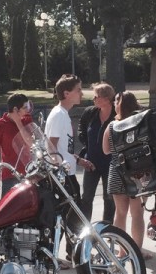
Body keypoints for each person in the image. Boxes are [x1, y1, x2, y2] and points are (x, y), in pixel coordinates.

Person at [46, 75, 93, 262]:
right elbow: (51, 146)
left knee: (72, 217)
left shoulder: (63, 114)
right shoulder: (58, 115)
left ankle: (73, 252)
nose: (82, 93)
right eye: (78, 90)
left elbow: (63, 149)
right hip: (63, 176)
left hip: (69, 173)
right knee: (67, 217)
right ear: (66, 93)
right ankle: (62, 255)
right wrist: (60, 169)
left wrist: (78, 160)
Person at [102, 91, 149, 257]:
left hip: (117, 170)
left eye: (116, 101)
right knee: (137, 214)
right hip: (138, 172)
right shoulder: (140, 122)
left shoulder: (111, 126)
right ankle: (136, 251)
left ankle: (122, 252)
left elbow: (105, 150)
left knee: (120, 213)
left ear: (119, 104)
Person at [77, 83, 116, 223]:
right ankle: (85, 227)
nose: (93, 99)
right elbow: (81, 129)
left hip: (111, 164)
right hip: (91, 162)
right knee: (86, 197)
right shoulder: (90, 113)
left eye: (96, 96)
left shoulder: (117, 115)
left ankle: (107, 227)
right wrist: (86, 143)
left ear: (106, 99)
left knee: (109, 198)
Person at [0, 93, 38, 196]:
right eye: (25, 107)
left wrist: (18, 123)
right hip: (9, 174)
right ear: (15, 109)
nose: (27, 110)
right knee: (9, 203)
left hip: (28, 173)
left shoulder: (27, 120)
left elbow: (30, 143)